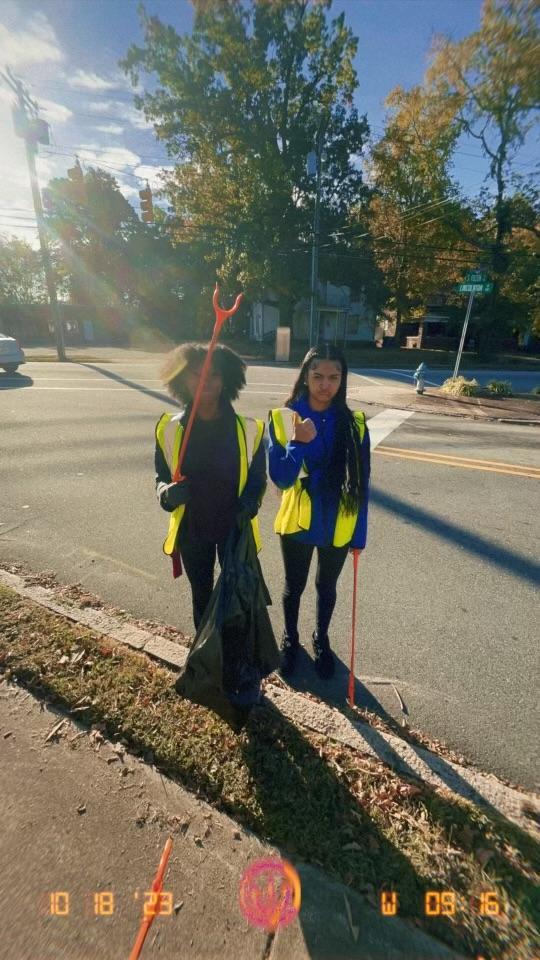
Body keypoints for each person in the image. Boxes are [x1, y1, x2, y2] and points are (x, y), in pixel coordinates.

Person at [268, 344, 370, 680]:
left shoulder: (354, 424)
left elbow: (362, 484)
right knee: (293, 585)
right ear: (305, 376)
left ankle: (321, 638)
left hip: (338, 522)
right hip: (297, 522)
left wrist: (359, 535)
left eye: (333, 377)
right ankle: (290, 638)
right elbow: (281, 479)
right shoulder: (283, 418)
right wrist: (297, 442)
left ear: (342, 380)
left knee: (327, 587)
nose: (325, 384)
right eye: (317, 376)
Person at [155, 342, 266, 631]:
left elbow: (257, 479)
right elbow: (160, 477)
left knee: (235, 597)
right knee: (201, 596)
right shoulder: (169, 428)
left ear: (226, 379)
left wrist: (250, 503)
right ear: (182, 379)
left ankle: (232, 650)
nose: (205, 381)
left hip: (233, 527)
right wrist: (166, 494)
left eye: (214, 374)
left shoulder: (249, 428)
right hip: (193, 528)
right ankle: (204, 650)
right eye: (196, 373)